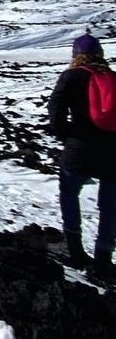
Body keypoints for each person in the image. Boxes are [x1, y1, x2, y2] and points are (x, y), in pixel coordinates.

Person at [47, 31, 116, 274]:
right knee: (109, 205)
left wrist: (67, 136)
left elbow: (55, 111)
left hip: (80, 148)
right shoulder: (112, 77)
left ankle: (74, 248)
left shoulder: (72, 76)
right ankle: (104, 256)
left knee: (69, 193)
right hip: (112, 151)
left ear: (75, 54)